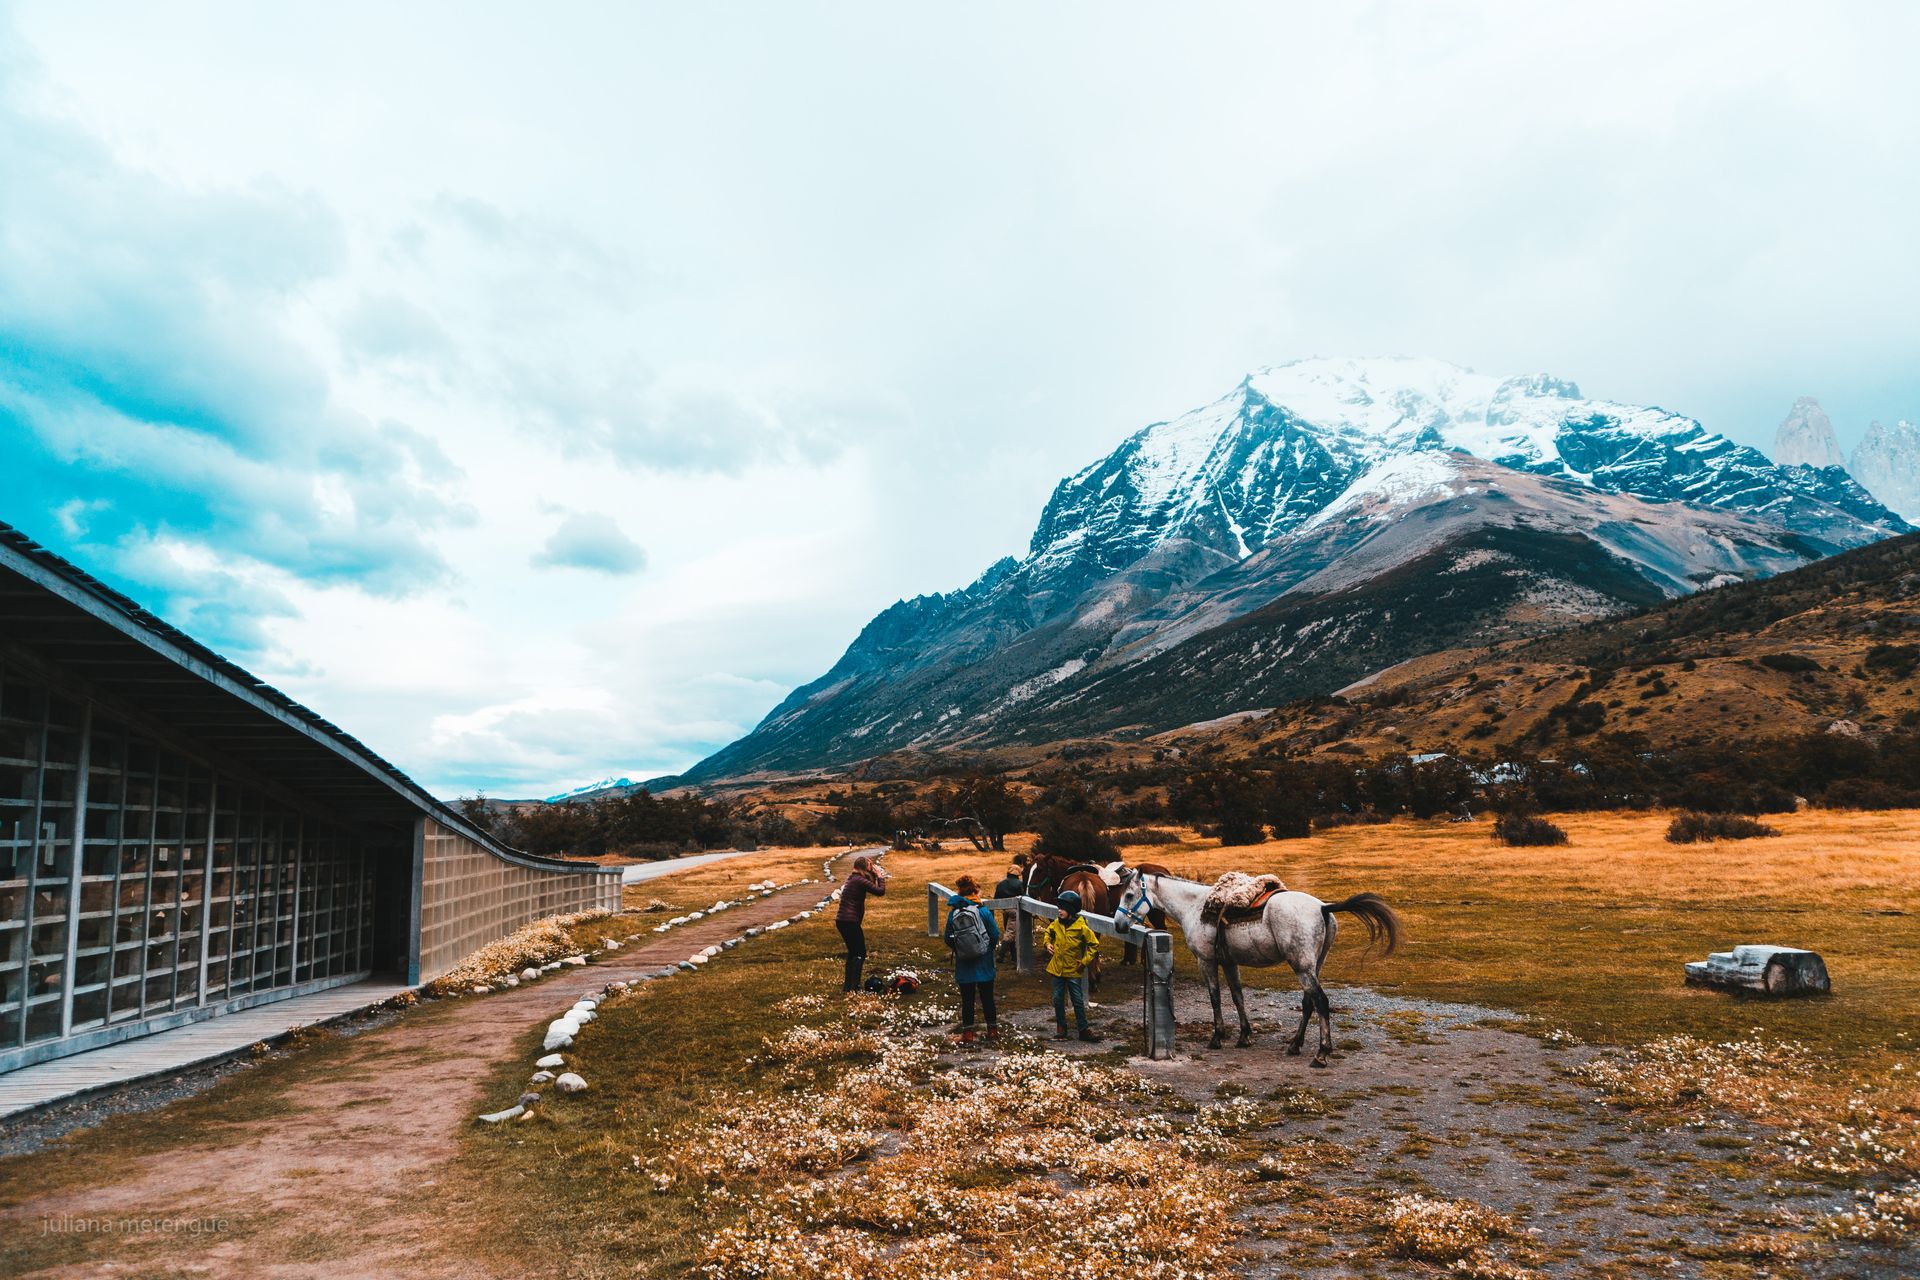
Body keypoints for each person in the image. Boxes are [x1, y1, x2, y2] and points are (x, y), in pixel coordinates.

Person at [942, 874, 1000, 1042]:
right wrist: (986, 949)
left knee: (967, 999)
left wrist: (961, 949)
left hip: (964, 963)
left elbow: (947, 937)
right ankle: (992, 1031)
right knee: (987, 997)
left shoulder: (954, 913)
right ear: (975, 891)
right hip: (984, 961)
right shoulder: (983, 911)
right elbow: (994, 934)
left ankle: (968, 1034)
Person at [1044, 889, 1101, 1042]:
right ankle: (1061, 1028)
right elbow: (1048, 932)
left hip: (1073, 970)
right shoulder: (1056, 924)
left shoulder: (1081, 927)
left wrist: (1084, 962)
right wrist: (1047, 943)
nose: (1059, 911)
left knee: (1077, 1000)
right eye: (1058, 908)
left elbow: (1093, 944)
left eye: (1062, 908)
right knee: (1057, 999)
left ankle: (1083, 1029)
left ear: (1070, 910)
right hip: (1056, 969)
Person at [836, 854, 887, 993]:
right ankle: (855, 986)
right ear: (864, 867)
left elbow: (872, 885)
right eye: (869, 866)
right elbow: (880, 891)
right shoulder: (858, 880)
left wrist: (874, 874)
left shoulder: (854, 878)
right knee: (860, 952)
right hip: (849, 921)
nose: (871, 869)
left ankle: (849, 987)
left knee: (853, 952)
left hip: (843, 921)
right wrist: (880, 875)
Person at [993, 862, 1025, 958]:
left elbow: (996, 899)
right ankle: (1001, 955)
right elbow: (1023, 897)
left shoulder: (1001, 884)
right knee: (1010, 933)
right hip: (1015, 911)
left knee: (1010, 932)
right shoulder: (1020, 884)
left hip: (1005, 911)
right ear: (1018, 874)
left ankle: (1014, 956)